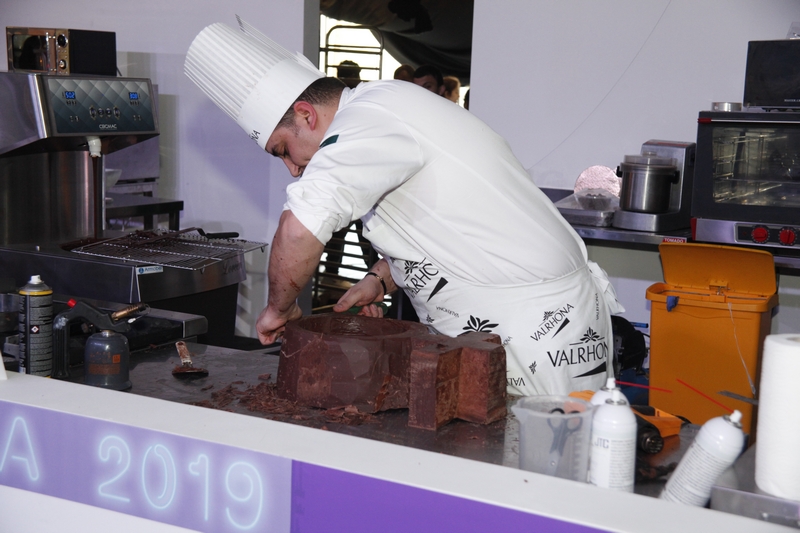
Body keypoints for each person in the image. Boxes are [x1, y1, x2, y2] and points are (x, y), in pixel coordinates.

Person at [185, 19, 624, 396]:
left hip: (536, 337)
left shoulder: (368, 121)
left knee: (540, 479)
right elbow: (443, 223)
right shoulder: (385, 111)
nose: (292, 169)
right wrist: (380, 279)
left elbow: (298, 230)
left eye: (284, 149)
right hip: (502, 330)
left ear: (306, 114)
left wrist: (279, 310)